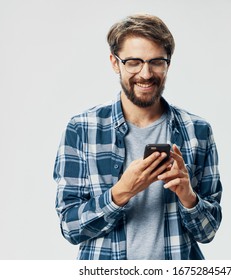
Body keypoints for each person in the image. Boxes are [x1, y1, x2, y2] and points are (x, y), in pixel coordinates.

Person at [53, 14, 222, 260]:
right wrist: (121, 192)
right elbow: (70, 227)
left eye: (156, 61)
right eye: (134, 62)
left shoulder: (198, 131)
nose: (145, 73)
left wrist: (188, 196)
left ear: (168, 64)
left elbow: (208, 232)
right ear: (115, 62)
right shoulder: (81, 129)